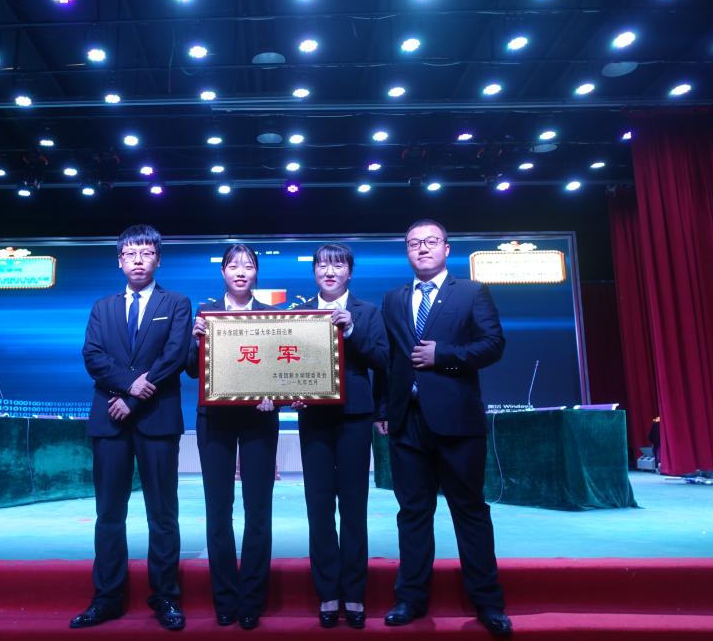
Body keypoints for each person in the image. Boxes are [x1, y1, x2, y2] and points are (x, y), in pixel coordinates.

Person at [379, 219, 513, 636]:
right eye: (413, 243)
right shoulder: (393, 299)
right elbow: (389, 360)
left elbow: (493, 345)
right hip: (407, 422)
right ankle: (410, 599)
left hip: (457, 421)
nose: (422, 248)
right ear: (406, 251)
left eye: (430, 241)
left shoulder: (471, 292)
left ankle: (488, 602)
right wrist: (384, 409)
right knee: (412, 513)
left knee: (469, 511)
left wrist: (445, 355)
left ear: (446, 248)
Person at [71, 224, 192, 631]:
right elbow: (92, 355)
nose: (138, 260)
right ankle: (106, 598)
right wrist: (128, 386)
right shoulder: (102, 307)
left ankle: (166, 597)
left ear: (158, 259)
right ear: (119, 260)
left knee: (163, 514)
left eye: (146, 253)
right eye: (131, 254)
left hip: (157, 420)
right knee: (109, 514)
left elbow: (174, 356)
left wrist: (135, 398)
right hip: (110, 419)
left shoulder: (176, 303)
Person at [294, 243, 388, 629]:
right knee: (318, 508)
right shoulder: (300, 312)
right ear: (314, 271)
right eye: (322, 266)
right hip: (314, 417)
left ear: (350, 271)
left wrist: (351, 330)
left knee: (352, 508)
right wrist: (288, 393)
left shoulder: (367, 312)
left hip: (354, 417)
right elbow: (286, 361)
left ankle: (354, 593)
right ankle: (327, 593)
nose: (329, 272)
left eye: (337, 266)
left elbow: (383, 359)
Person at [186, 243, 278, 630]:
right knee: (218, 511)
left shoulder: (273, 317)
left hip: (259, 420)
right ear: (222, 272)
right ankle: (224, 598)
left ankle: (252, 600)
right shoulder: (205, 315)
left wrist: (276, 396)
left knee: (258, 511)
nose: (241, 271)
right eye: (234, 265)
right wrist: (195, 341)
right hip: (215, 420)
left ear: (256, 273)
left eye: (248, 265)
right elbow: (191, 370)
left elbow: (283, 369)